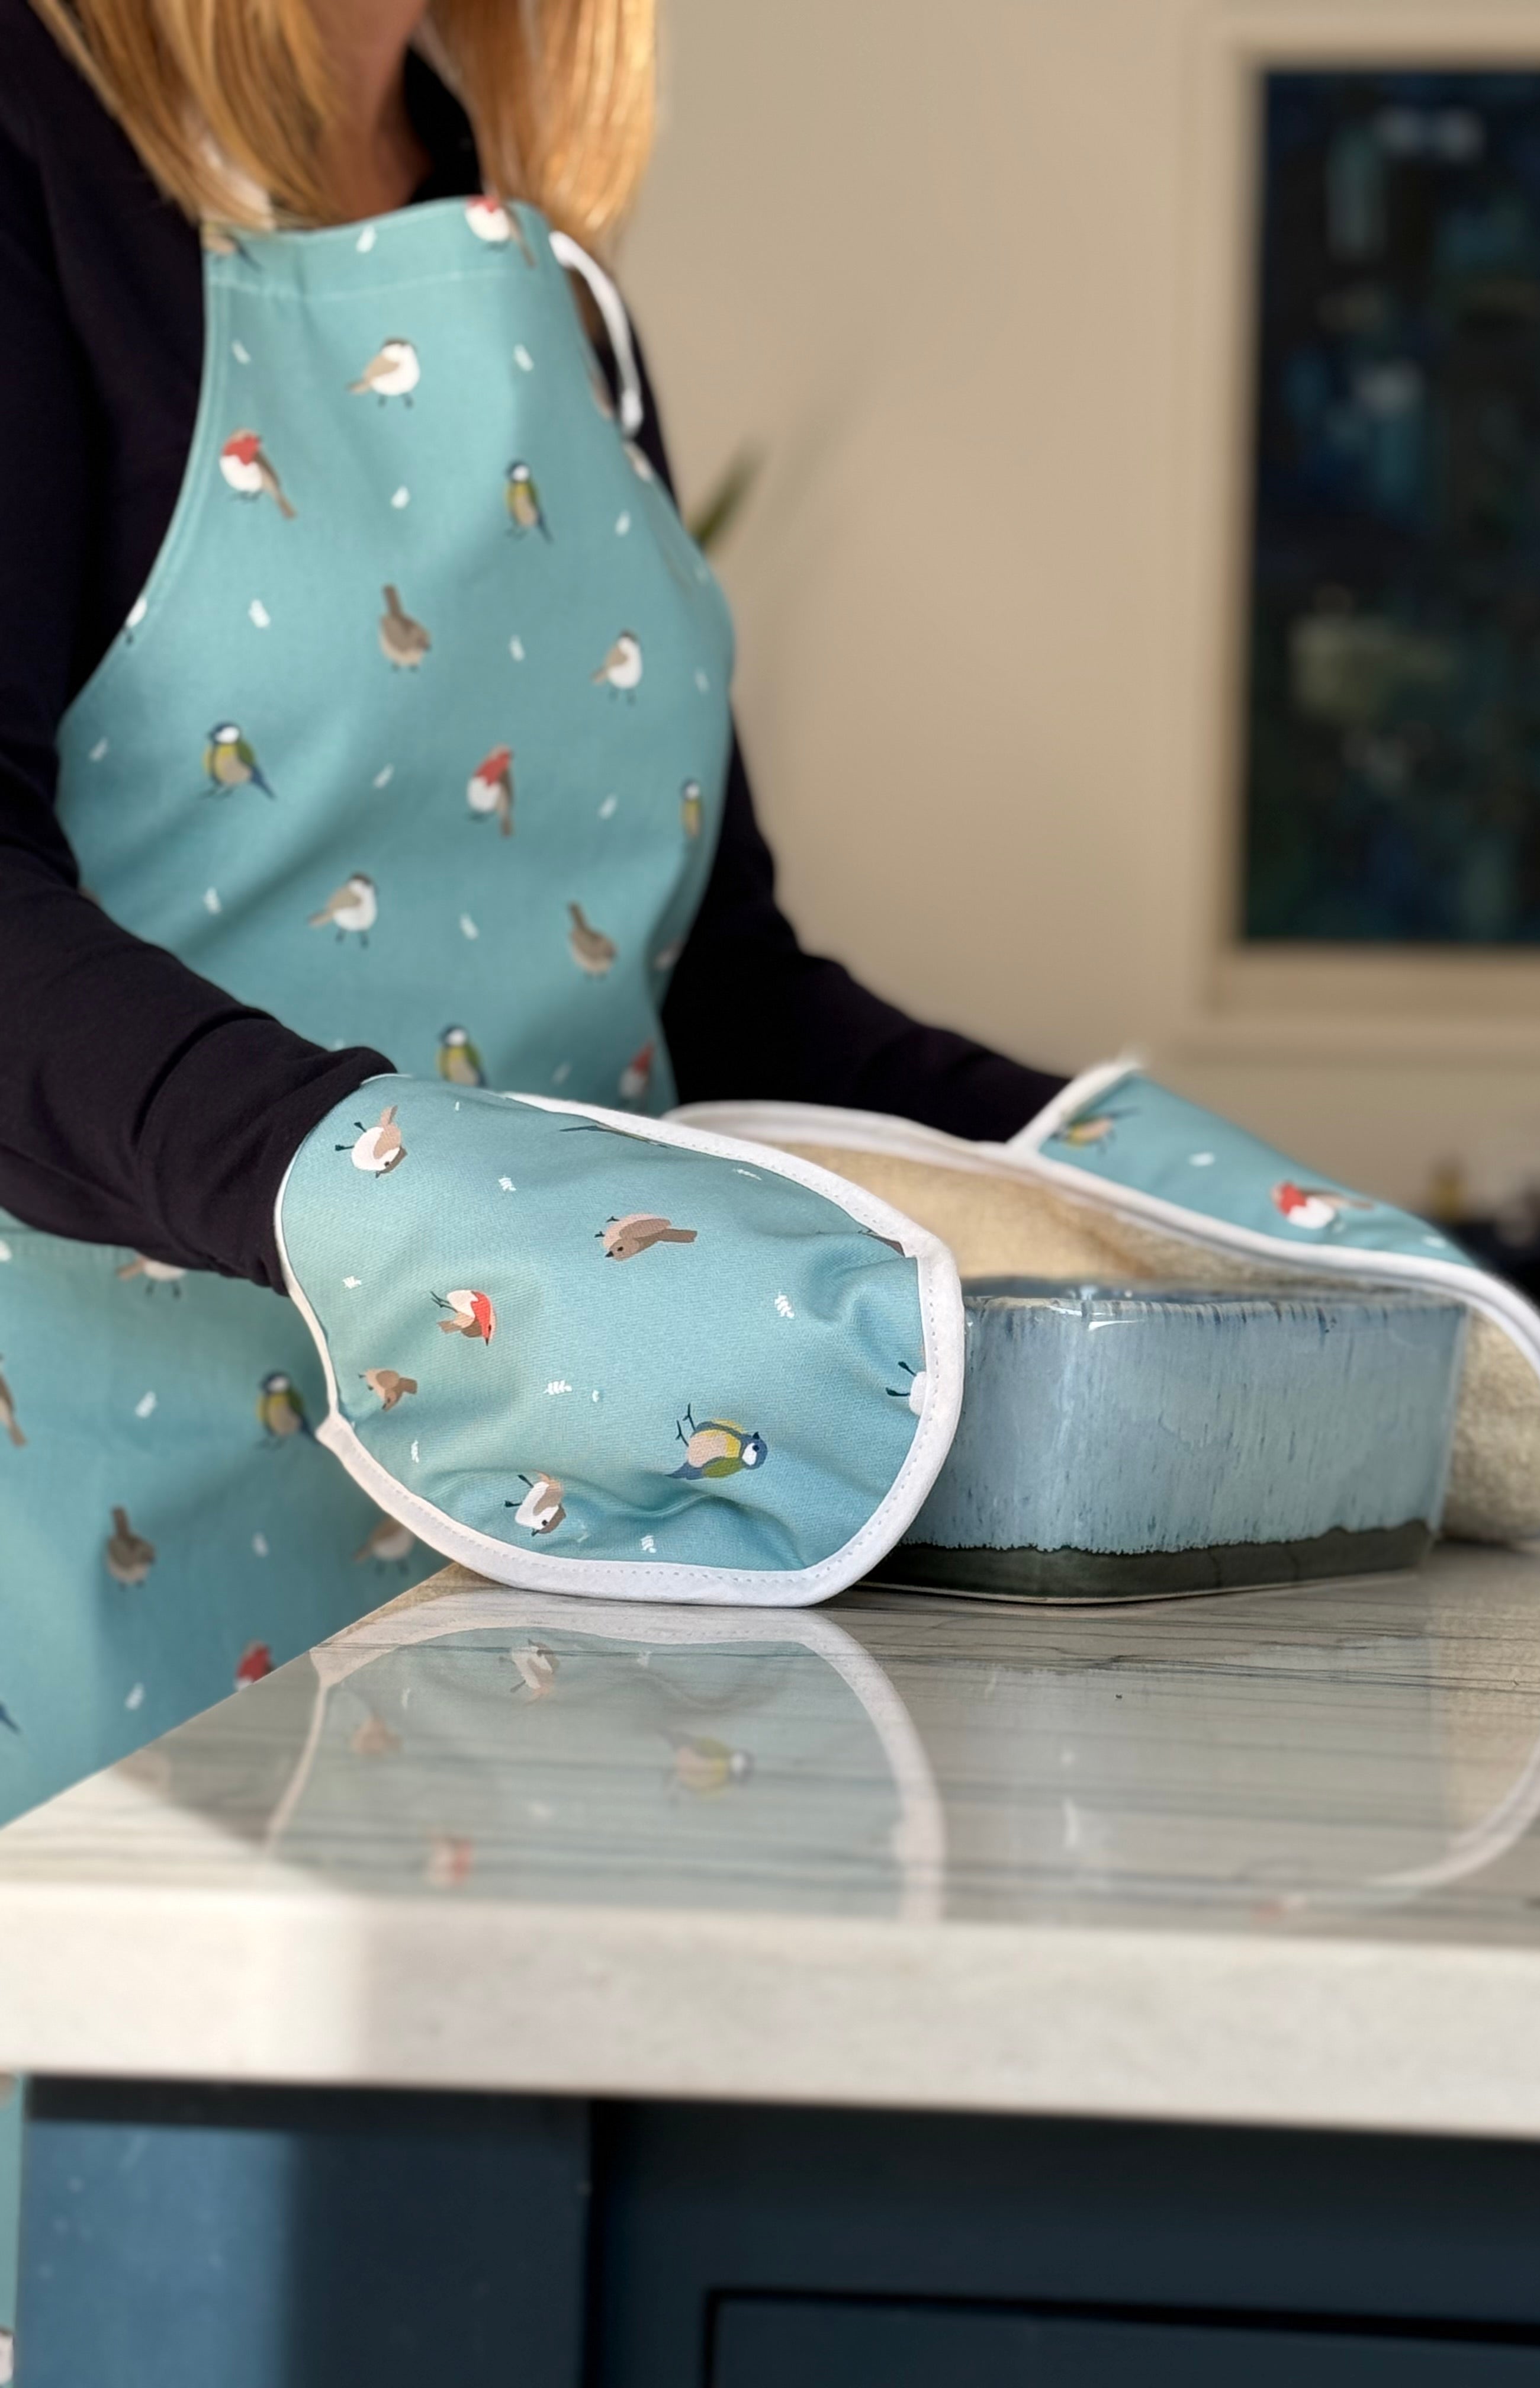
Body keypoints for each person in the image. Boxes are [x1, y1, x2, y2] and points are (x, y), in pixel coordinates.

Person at [0, 0, 1061, 1821]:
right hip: (91, 1619)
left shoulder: (536, 269)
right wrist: (387, 1190)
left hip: (529, 1623)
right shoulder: (29, 138)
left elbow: (704, 985)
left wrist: (1116, 1182)